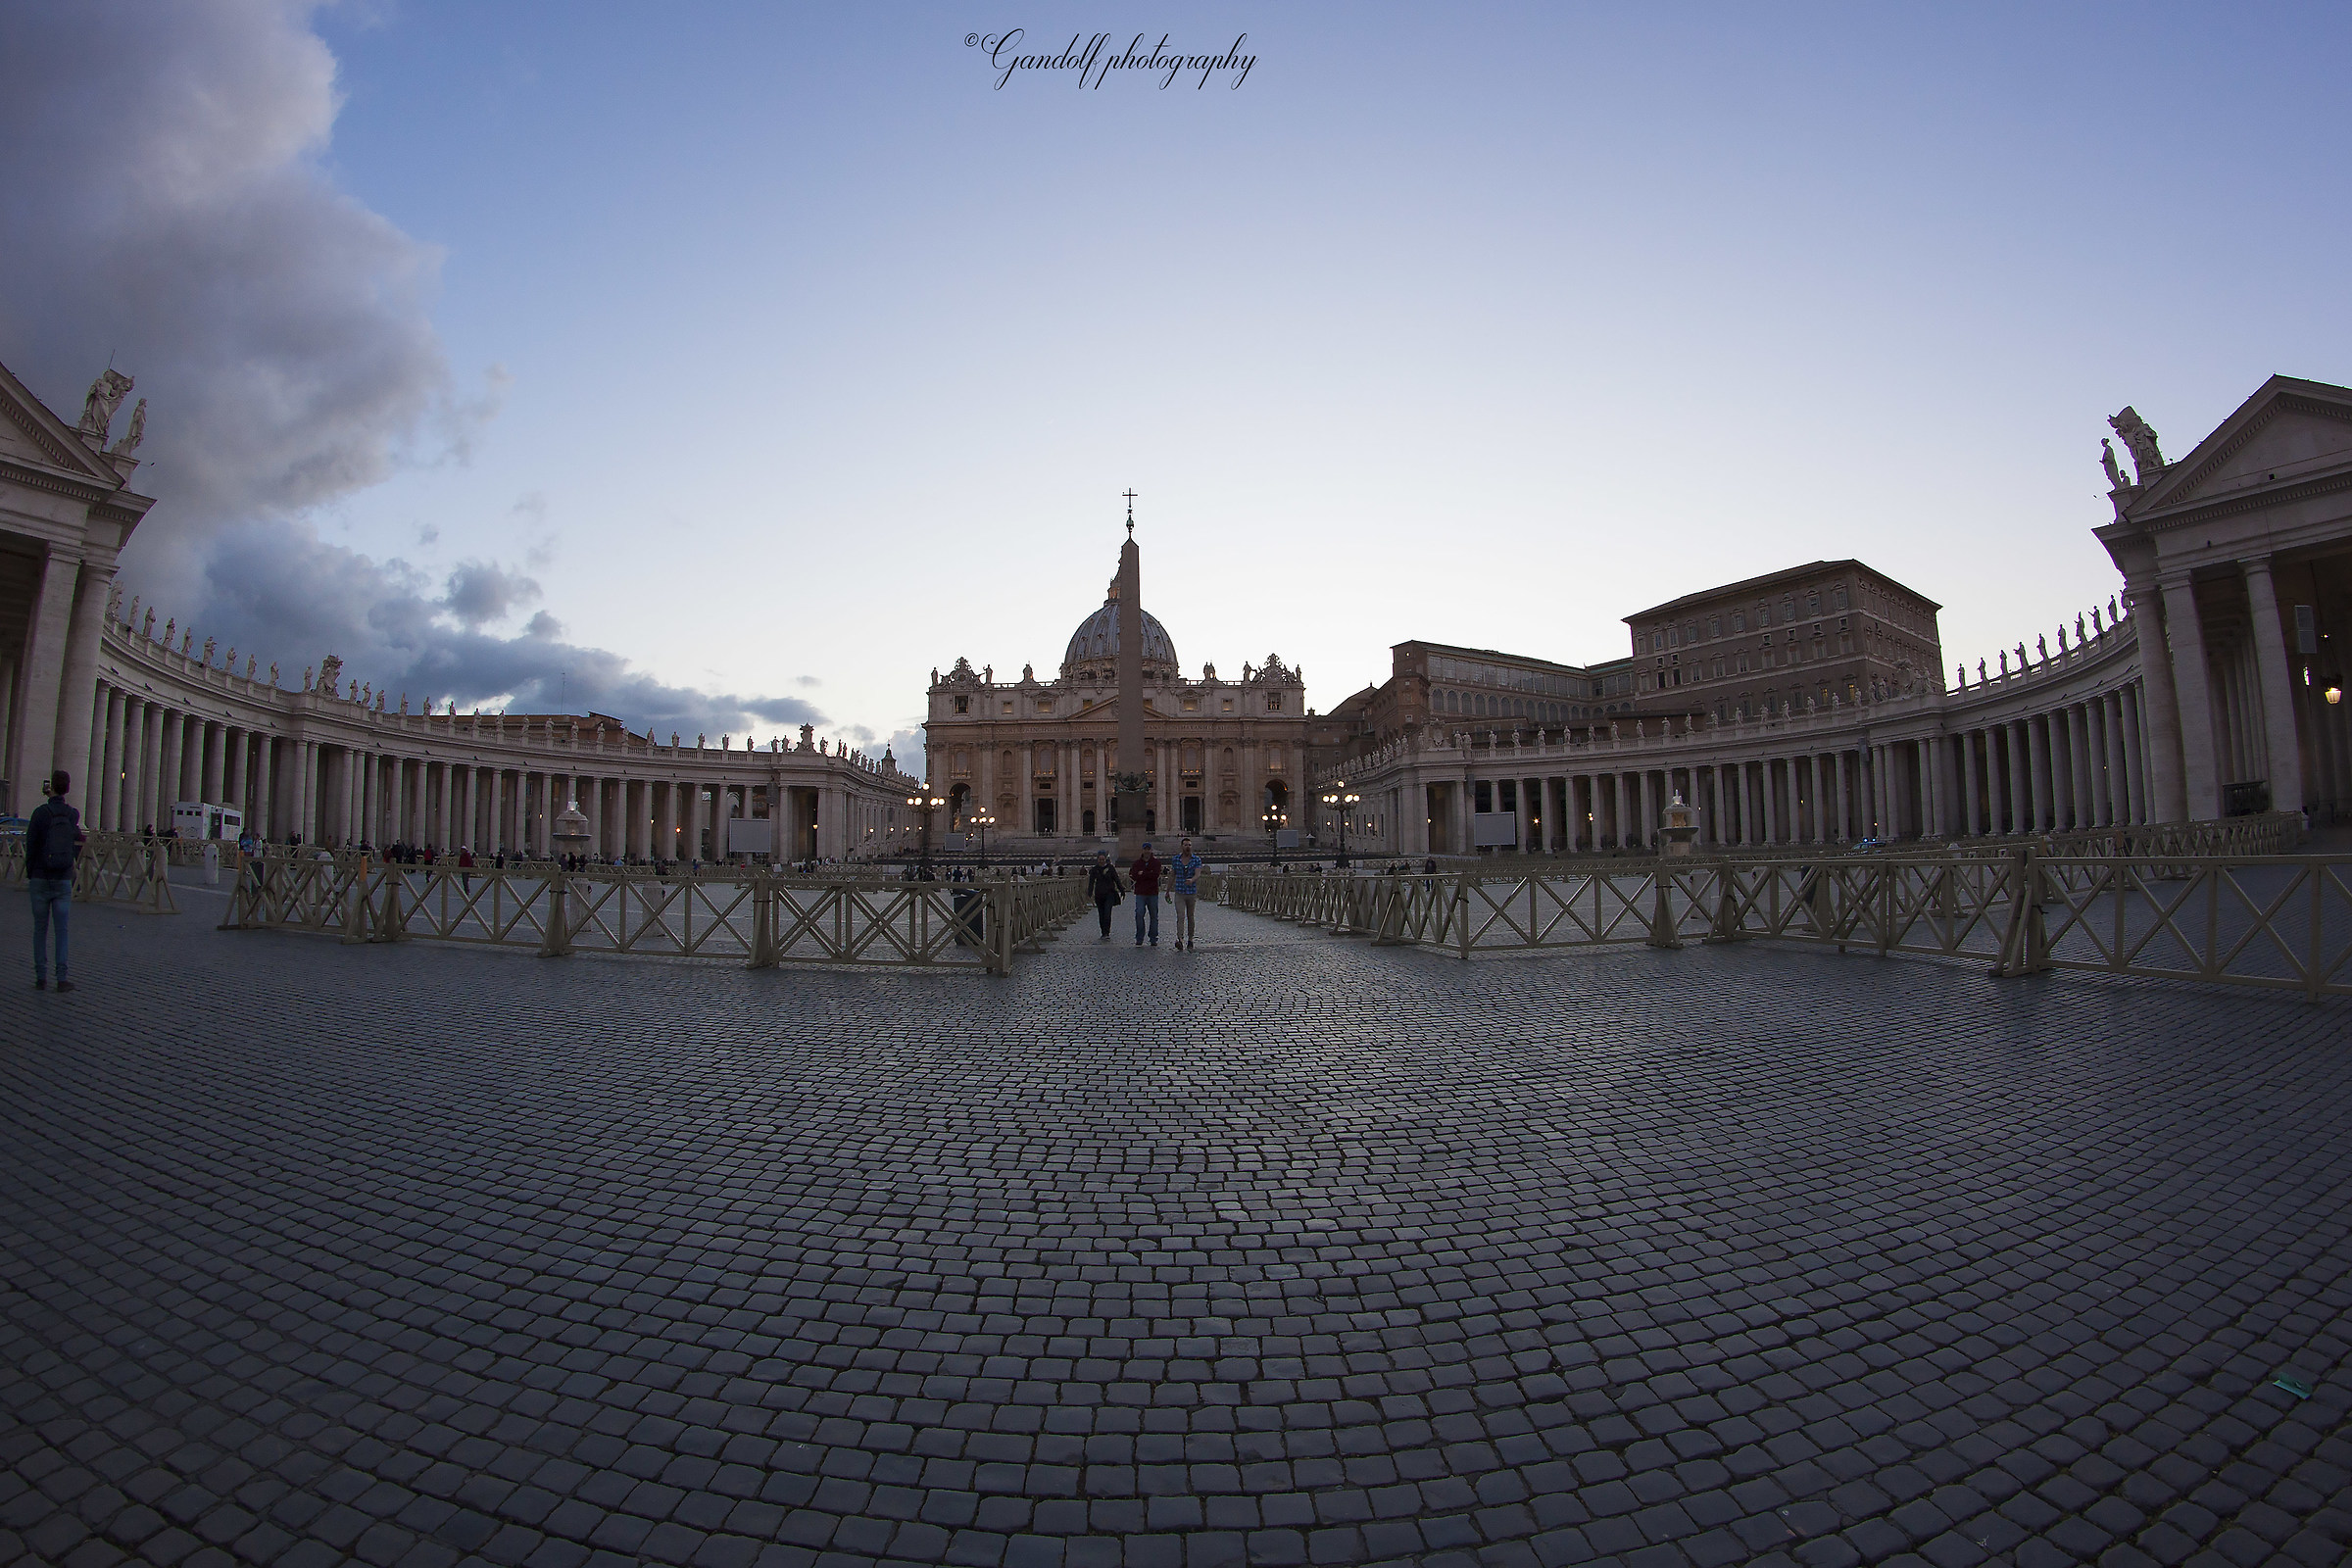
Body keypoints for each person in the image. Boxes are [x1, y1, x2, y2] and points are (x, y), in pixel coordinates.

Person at [25, 770, 82, 992]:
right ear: (68, 788)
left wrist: (32, 872)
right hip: (61, 878)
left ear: (51, 788)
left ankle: (40, 976)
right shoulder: (71, 815)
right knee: (62, 930)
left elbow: (31, 846)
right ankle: (62, 977)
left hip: (40, 876)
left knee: (40, 929)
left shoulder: (40, 813)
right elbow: (77, 838)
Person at [1168, 836, 1203, 950]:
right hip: (1179, 891)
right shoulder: (1175, 859)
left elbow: (1198, 873)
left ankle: (1190, 939)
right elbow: (1172, 874)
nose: (1188, 847)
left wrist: (1192, 880)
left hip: (1191, 892)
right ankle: (1180, 939)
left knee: (1190, 916)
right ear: (1181, 846)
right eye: (1185, 845)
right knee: (1180, 916)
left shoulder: (1196, 859)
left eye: (1189, 845)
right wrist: (1168, 890)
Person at [1129, 841, 1163, 947]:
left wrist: (1142, 874)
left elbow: (1155, 875)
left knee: (1154, 916)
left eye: (1148, 849)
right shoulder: (1137, 863)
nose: (1147, 851)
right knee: (1139, 914)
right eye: (1145, 849)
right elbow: (1134, 875)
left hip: (1152, 892)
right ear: (1142, 850)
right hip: (1140, 892)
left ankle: (1153, 938)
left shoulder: (1156, 863)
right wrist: (1149, 874)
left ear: (1151, 850)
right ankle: (1139, 937)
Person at [1086, 851, 1123, 939]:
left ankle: (1107, 932)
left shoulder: (1110, 868)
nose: (1101, 861)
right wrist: (1089, 893)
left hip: (1109, 893)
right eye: (1100, 859)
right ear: (1097, 859)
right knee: (1101, 914)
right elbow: (1091, 882)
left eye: (1103, 859)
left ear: (1105, 859)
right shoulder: (1095, 869)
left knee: (1107, 913)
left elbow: (1116, 879)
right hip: (1099, 894)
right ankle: (1103, 932)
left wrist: (1122, 890)